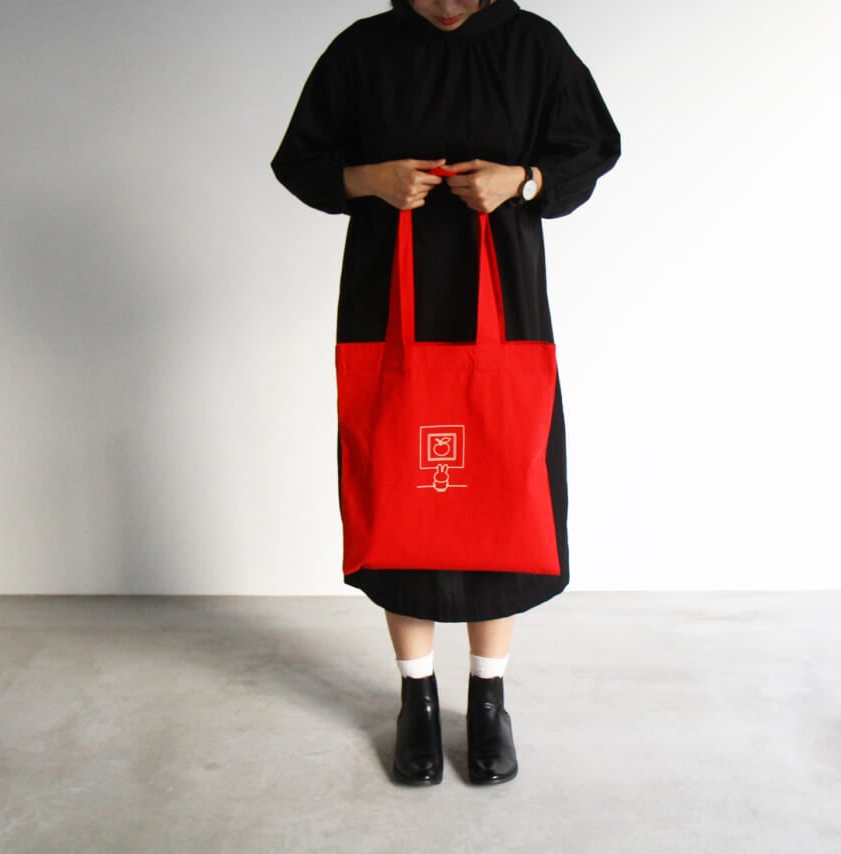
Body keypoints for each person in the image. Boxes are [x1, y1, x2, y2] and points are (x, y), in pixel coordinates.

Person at [270, 0, 620, 786]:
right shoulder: (364, 49)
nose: (450, 5)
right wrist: (372, 179)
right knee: (406, 487)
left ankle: (489, 698)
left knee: (500, 481)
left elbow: (592, 147)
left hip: (504, 285)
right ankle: (416, 697)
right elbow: (300, 161)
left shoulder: (532, 46)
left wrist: (523, 180)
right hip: (387, 290)